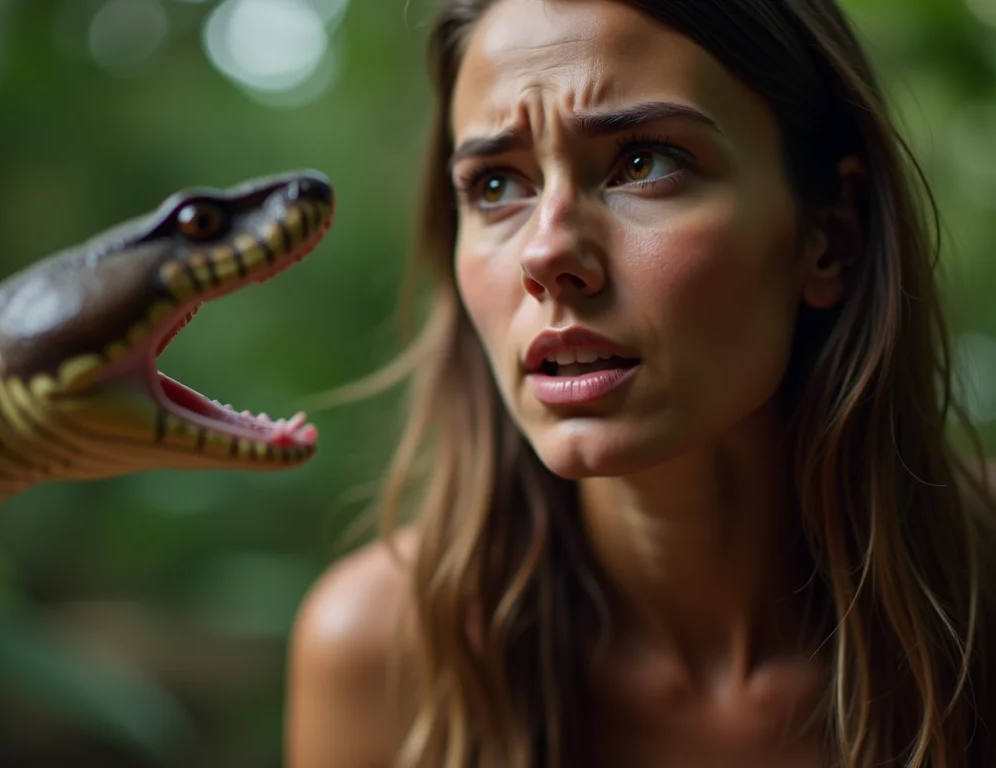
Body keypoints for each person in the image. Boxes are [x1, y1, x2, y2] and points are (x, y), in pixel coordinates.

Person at [285, 0, 996, 766]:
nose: (546, 252)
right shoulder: (381, 654)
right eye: (496, 186)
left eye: (644, 162)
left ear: (831, 234)